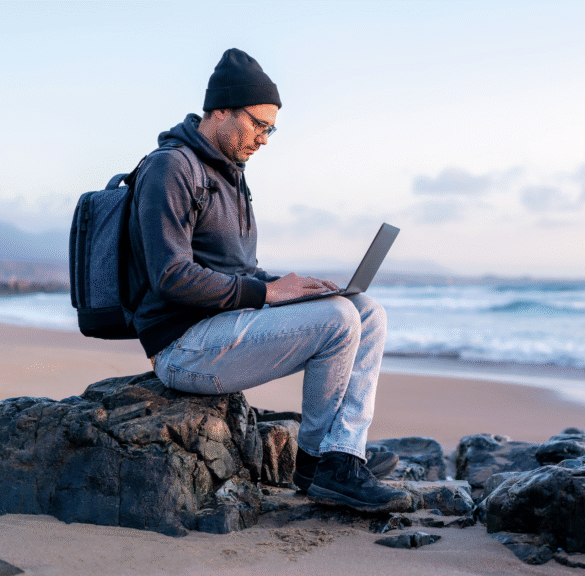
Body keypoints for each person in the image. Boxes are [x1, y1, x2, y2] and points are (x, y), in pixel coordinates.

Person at [126, 48, 408, 513]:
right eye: (259, 125)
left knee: (366, 311)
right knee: (339, 320)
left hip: (224, 326)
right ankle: (318, 463)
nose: (265, 139)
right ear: (220, 111)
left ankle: (343, 454)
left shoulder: (232, 175)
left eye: (271, 128)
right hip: (181, 346)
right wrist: (266, 292)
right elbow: (169, 277)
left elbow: (236, 271)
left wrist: (288, 285)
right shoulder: (171, 168)